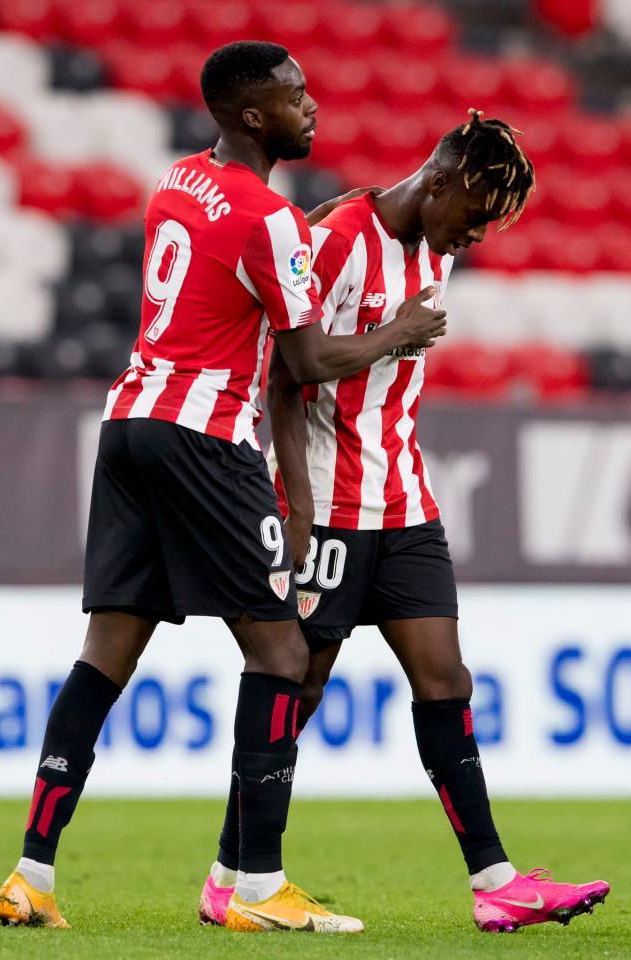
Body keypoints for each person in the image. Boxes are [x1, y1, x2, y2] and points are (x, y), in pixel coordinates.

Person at [0, 42, 448, 935]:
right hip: (204, 435)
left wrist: (304, 237)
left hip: (129, 422)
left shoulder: (178, 180)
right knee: (282, 655)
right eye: (294, 96)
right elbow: (306, 360)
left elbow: (227, 271)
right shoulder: (269, 219)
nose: (311, 107)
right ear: (251, 115)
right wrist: (398, 330)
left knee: (105, 653)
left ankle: (30, 875)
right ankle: (257, 886)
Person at [200, 109, 610, 934]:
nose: (477, 235)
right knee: (299, 687)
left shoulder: (436, 247)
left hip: (406, 501)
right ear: (440, 180)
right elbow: (286, 374)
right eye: (474, 214)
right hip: (328, 501)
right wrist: (299, 505)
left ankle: (495, 882)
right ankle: (232, 877)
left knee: (446, 680)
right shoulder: (337, 242)